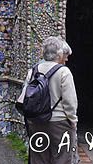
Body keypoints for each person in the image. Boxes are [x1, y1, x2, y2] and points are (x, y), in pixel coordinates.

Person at [19, 36, 78, 164]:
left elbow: (24, 97)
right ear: (59, 54)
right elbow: (70, 102)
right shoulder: (64, 72)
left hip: (36, 122)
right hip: (59, 124)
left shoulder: (33, 71)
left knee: (38, 159)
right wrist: (73, 121)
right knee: (61, 158)